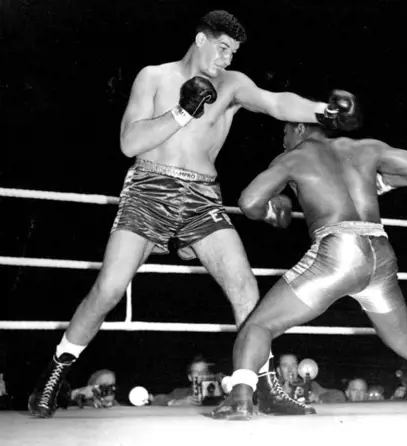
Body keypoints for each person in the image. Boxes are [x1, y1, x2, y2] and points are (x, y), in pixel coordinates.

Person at [27, 10, 361, 419]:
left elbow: (276, 103)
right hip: (150, 189)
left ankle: (265, 385)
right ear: (201, 39)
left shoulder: (234, 84)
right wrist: (182, 111)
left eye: (233, 53)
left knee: (243, 285)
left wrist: (323, 112)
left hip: (202, 197)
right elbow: (129, 143)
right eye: (222, 49)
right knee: (109, 291)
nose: (227, 60)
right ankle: (53, 376)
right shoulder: (153, 77)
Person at [221, 121, 407, 420]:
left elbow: (248, 201)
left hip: (339, 251)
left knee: (258, 326)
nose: (282, 140)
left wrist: (271, 212)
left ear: (299, 128)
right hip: (380, 253)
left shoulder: (293, 157)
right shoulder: (363, 147)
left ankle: (241, 399)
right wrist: (381, 183)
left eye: (284, 132)